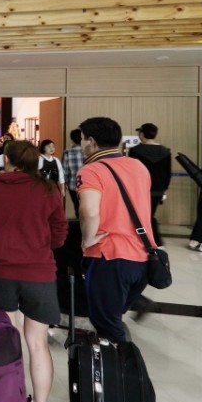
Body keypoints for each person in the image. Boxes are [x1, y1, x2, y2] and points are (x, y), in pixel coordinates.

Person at [0, 141, 68, 402]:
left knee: (6, 339)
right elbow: (60, 230)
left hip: (0, 271)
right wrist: (42, 247)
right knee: (38, 343)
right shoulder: (48, 190)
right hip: (40, 273)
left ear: (7, 159)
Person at [77, 116, 157, 342]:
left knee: (108, 327)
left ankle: (127, 364)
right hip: (142, 258)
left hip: (110, 257)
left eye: (82, 139)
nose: (81, 144)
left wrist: (87, 239)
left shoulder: (91, 170)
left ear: (91, 141)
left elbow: (89, 211)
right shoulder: (138, 166)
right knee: (113, 319)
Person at [127, 123, 171, 247]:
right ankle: (151, 241)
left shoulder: (135, 151)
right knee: (148, 215)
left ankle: (153, 241)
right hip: (157, 190)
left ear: (142, 134)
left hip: (139, 190)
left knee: (142, 216)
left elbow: (132, 172)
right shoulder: (165, 151)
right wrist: (164, 189)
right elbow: (167, 173)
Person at [62, 129, 84, 218]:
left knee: (77, 206)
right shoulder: (89, 151)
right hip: (88, 184)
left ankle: (79, 224)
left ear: (72, 139)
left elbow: (65, 170)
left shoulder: (67, 152)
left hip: (73, 184)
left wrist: (65, 183)